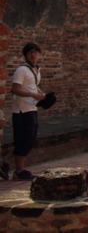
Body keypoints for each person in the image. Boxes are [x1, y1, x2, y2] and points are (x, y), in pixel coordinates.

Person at [1, 43, 46, 181]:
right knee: (24, 140)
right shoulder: (22, 70)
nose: (33, 54)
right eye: (30, 52)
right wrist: (33, 95)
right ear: (25, 55)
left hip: (31, 108)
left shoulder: (36, 70)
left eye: (35, 52)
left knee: (29, 139)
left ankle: (5, 161)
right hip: (22, 110)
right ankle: (19, 170)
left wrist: (40, 94)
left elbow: (32, 86)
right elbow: (15, 89)